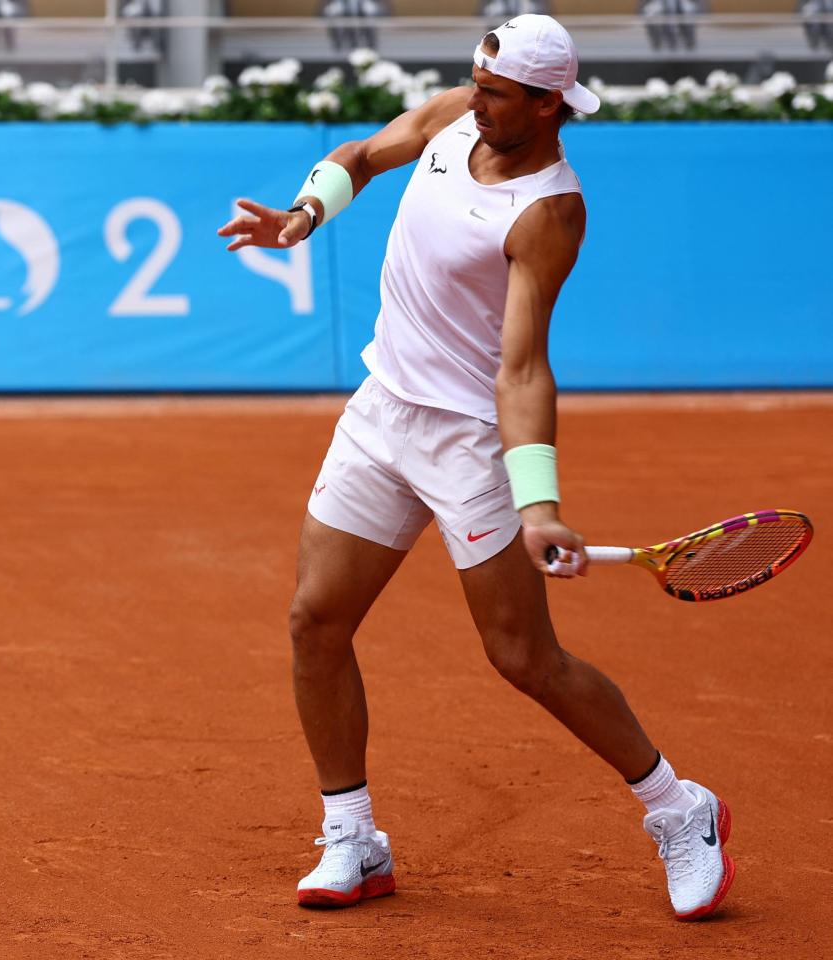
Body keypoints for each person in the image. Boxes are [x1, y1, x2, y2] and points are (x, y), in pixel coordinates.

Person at [217, 14, 733, 920]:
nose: (474, 99)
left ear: (547, 104)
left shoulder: (548, 211)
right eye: (475, 82)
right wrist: (303, 216)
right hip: (382, 415)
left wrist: (539, 505)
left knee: (524, 658)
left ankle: (678, 808)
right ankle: (354, 838)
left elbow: (523, 364)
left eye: (495, 92)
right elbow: (367, 154)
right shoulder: (464, 114)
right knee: (315, 621)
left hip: (465, 440)